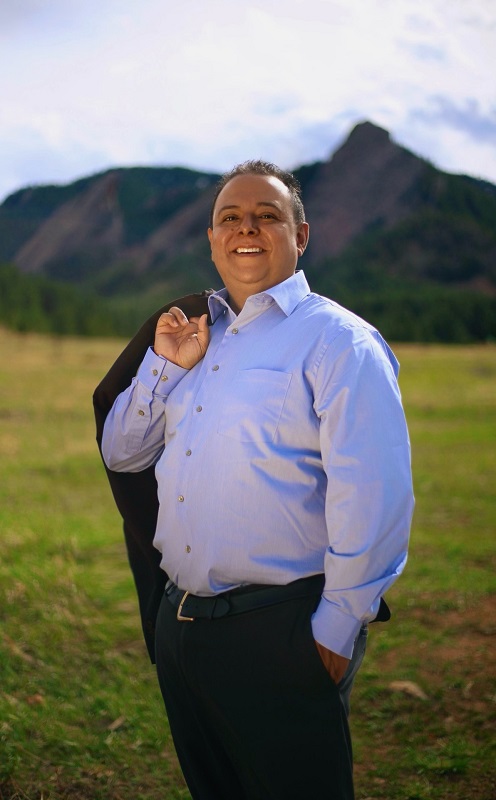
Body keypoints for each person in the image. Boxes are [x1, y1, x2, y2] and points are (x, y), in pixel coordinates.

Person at [100, 160, 414, 800]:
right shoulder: (192, 334)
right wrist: (163, 367)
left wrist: (332, 632)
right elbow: (124, 454)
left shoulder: (338, 342)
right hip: (182, 624)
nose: (248, 227)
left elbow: (375, 498)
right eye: (230, 218)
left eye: (268, 215)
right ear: (213, 240)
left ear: (301, 236)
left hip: (282, 628)